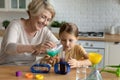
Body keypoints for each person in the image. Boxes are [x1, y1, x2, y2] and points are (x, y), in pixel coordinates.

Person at [0, 0, 58, 65]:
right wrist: (34, 47)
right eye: (43, 17)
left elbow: (58, 45)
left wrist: (51, 49)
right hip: (7, 67)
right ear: (31, 14)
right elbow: (9, 48)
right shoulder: (15, 25)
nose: (45, 22)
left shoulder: (44, 30)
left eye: (48, 20)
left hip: (28, 68)